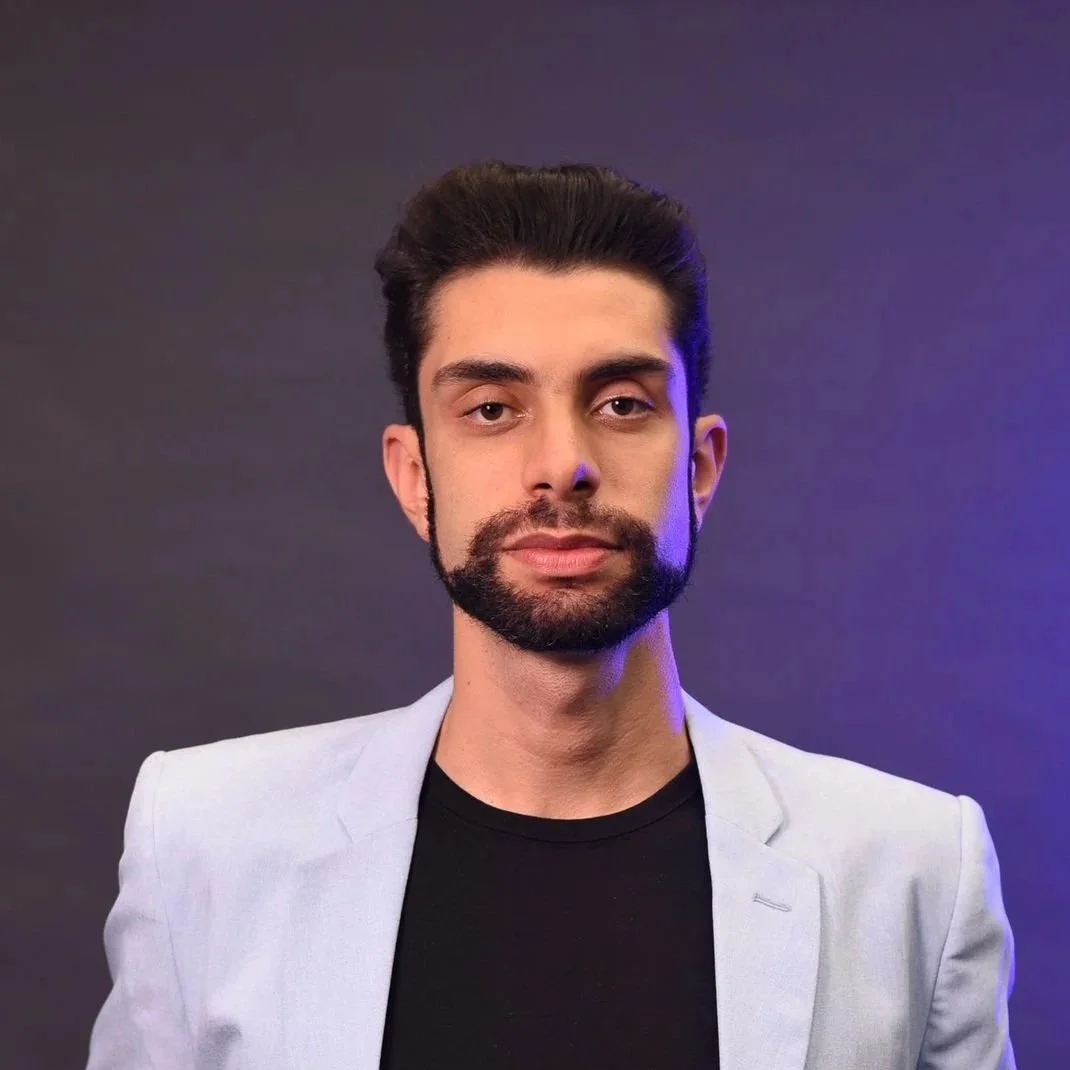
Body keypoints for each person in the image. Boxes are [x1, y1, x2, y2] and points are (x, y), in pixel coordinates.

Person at [86, 161, 1016, 1070]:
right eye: (493, 408)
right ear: (414, 477)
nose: (561, 464)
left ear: (699, 469)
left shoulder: (913, 870)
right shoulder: (203, 841)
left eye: (622, 403)